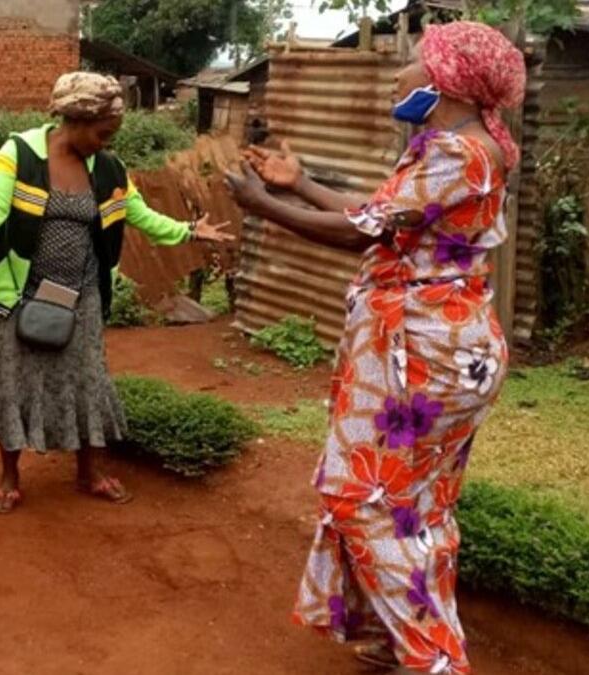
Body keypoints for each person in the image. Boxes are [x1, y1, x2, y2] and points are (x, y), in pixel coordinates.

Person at [226, 21, 524, 674]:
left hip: (421, 349)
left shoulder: (458, 152)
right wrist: (297, 183)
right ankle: (402, 638)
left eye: (413, 63)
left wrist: (261, 207)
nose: (400, 74)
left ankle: (433, 658)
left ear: (443, 82)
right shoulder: (460, 147)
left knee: (365, 499)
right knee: (420, 503)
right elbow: (379, 216)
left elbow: (360, 234)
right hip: (442, 342)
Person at [0, 72, 232, 514]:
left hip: (83, 293)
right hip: (20, 291)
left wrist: (189, 230)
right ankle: (9, 475)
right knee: (14, 380)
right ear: (75, 119)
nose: (106, 144)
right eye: (102, 134)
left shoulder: (108, 169)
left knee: (87, 379)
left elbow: (140, 215)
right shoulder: (19, 154)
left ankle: (88, 471)